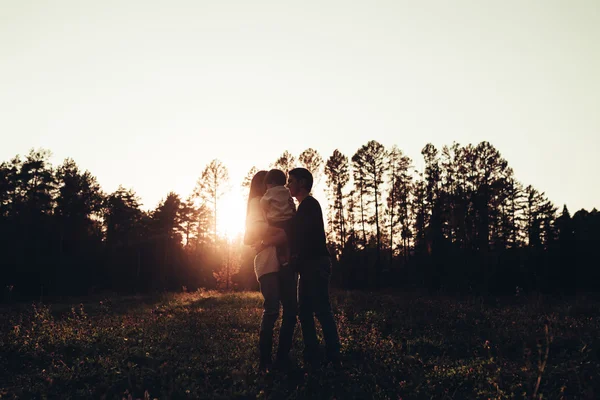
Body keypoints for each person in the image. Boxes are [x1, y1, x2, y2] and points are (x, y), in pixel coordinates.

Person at [287, 167, 341, 369]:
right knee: (305, 310)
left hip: (316, 263)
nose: (288, 185)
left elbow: (305, 236)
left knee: (321, 309)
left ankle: (333, 354)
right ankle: (312, 352)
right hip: (308, 265)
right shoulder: (303, 207)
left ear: (302, 183)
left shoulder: (309, 205)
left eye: (291, 181)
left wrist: (294, 256)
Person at [244, 170, 298, 372]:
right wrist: (283, 233)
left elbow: (288, 228)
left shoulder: (279, 201)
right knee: (273, 309)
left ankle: (282, 358)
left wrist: (274, 237)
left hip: (285, 260)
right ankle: (265, 361)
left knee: (291, 310)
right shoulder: (256, 204)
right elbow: (256, 232)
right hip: (267, 261)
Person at [260, 169, 296, 267]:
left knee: (278, 243)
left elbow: (263, 203)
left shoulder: (270, 192)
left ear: (272, 182)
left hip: (275, 220)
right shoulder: (287, 191)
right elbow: (291, 203)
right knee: (286, 242)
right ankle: (288, 258)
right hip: (288, 220)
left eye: (267, 184)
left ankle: (282, 259)